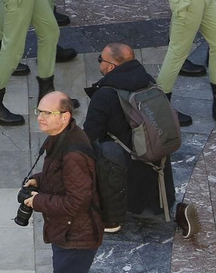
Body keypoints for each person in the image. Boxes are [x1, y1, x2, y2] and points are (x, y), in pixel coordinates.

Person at [84, 43, 196, 233]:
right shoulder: (147, 81)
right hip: (156, 156)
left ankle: (111, 219)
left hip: (126, 165)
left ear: (111, 66)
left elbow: (90, 135)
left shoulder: (105, 94)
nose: (99, 64)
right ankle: (174, 211)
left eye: (100, 60)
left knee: (97, 151)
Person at [24, 91, 103, 273]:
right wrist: (39, 178)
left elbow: (76, 202)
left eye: (48, 113)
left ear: (65, 116)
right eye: (40, 111)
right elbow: (61, 177)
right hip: (70, 231)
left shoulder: (73, 153)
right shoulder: (62, 138)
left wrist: (38, 202)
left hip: (77, 234)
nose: (41, 118)